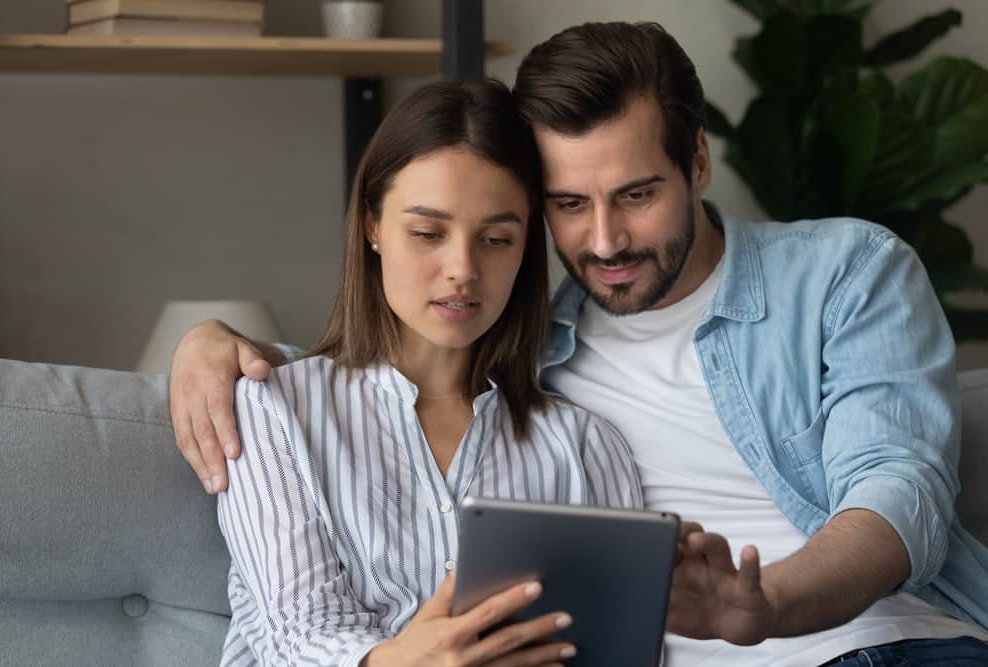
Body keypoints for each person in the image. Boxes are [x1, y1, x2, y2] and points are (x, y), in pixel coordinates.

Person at [170, 21, 988, 666]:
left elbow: (898, 487)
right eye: (568, 203)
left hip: (887, 640)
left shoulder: (846, 270)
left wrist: (767, 603)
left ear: (696, 161)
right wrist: (210, 343)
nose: (604, 241)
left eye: (636, 194)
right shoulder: (540, 347)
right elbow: (395, 366)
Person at [212, 78, 642, 666]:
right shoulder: (275, 410)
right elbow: (295, 635)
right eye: (426, 233)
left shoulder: (586, 447)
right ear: (372, 227)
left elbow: (622, 649)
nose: (462, 269)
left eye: (496, 239)